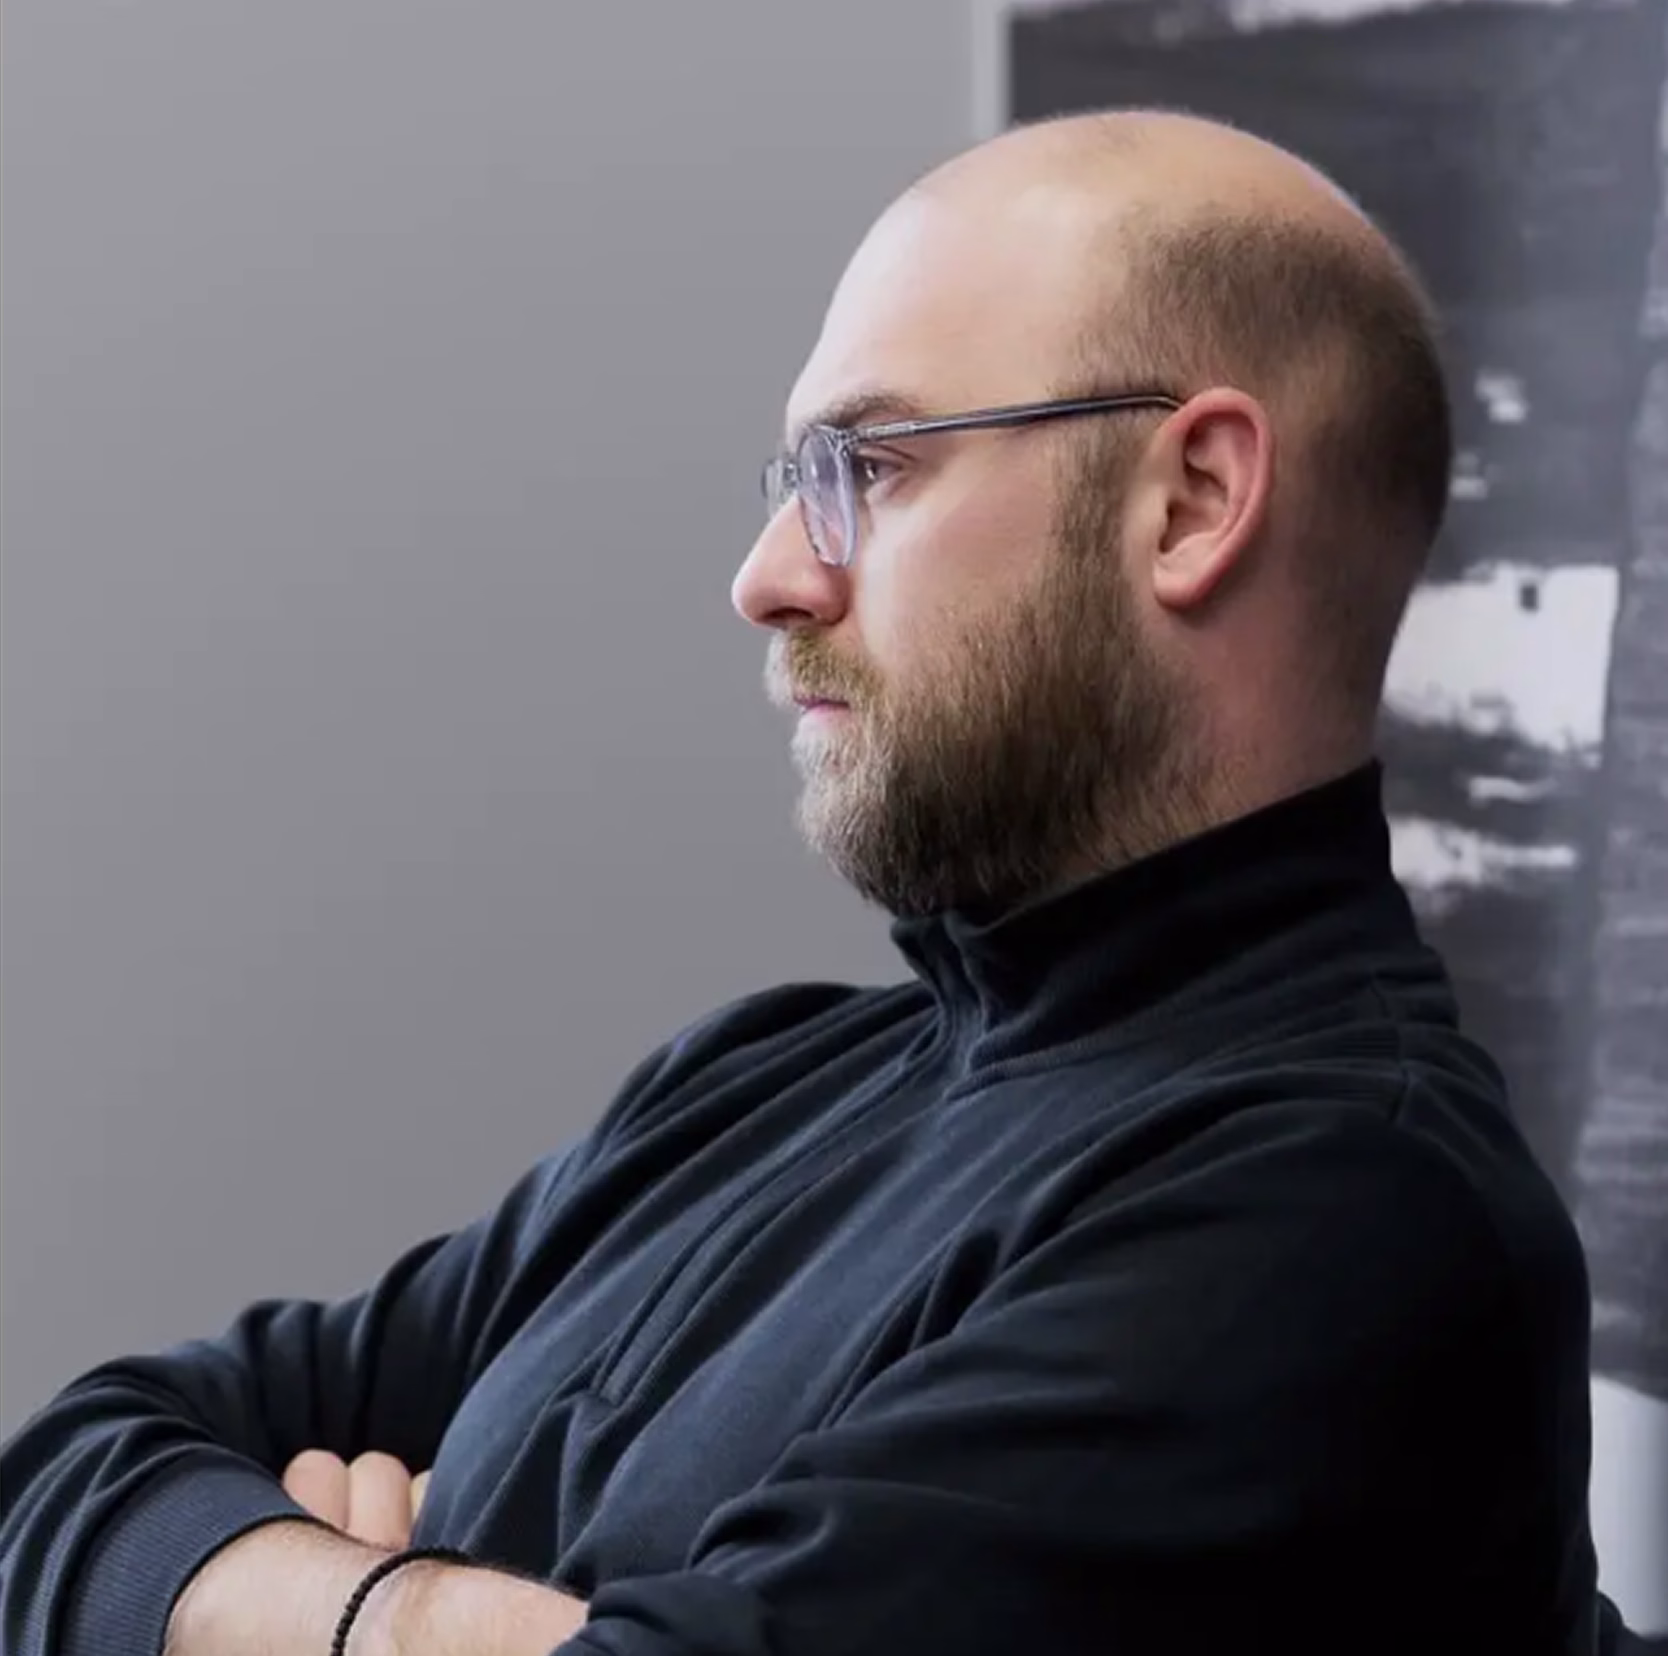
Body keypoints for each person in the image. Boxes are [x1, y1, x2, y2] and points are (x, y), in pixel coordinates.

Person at [0, 109, 1614, 1656]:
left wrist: (291, 1598)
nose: (769, 578)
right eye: (792, 483)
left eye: (871, 466)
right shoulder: (757, 1079)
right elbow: (64, 1476)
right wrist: (408, 1618)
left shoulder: (1337, 1220)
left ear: (1189, 502)